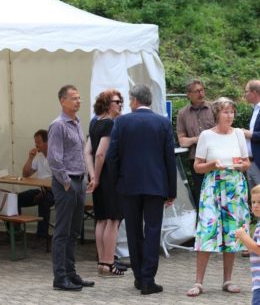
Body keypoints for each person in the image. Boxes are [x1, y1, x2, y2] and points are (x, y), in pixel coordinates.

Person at [107, 84, 176, 295]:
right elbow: (169, 158)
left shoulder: (121, 122)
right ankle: (148, 278)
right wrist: (171, 190)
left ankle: (138, 276)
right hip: (156, 185)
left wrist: (117, 181)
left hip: (129, 185)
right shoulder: (163, 123)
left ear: (134, 100)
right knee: (153, 230)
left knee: (133, 231)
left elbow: (112, 156)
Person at [186, 97, 251, 297]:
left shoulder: (239, 134)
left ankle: (228, 279)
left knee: (232, 231)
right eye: (225, 112)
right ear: (217, 114)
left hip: (234, 186)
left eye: (232, 112)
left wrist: (240, 165)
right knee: (207, 229)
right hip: (213, 186)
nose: (230, 116)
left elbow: (247, 162)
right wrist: (212, 165)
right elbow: (197, 167)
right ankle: (198, 282)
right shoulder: (206, 135)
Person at [47, 84, 94, 291]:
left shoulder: (77, 122)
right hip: (66, 183)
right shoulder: (58, 125)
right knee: (62, 232)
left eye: (79, 97)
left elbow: (80, 152)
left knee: (74, 230)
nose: (78, 101)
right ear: (62, 101)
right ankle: (60, 277)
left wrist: (86, 176)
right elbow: (54, 159)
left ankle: (71, 272)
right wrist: (66, 182)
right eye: (74, 98)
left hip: (79, 180)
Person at [84, 89, 125, 277]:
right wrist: (98, 177)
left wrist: (92, 177)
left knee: (101, 219)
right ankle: (109, 263)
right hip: (110, 177)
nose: (120, 105)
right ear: (108, 104)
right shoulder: (109, 123)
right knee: (113, 219)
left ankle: (102, 262)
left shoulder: (95, 123)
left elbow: (87, 152)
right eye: (117, 101)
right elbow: (100, 153)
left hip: (98, 178)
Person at [176, 79, 215, 211]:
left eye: (202, 90)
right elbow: (182, 141)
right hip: (197, 160)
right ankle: (204, 226)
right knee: (201, 194)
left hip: (216, 158)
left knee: (218, 193)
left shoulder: (214, 108)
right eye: (197, 91)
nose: (201, 93)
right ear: (189, 94)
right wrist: (198, 139)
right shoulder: (182, 113)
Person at [14, 129, 53, 242]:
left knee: (44, 199)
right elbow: (25, 174)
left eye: (38, 142)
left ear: (47, 142)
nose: (36, 145)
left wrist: (44, 191)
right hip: (40, 189)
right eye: (35, 142)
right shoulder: (39, 157)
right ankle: (16, 232)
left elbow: (59, 180)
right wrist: (30, 158)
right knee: (16, 198)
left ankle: (42, 235)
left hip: (54, 191)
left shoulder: (56, 156)